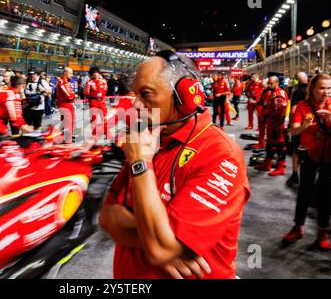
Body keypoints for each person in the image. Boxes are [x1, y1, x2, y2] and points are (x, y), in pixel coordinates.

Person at [99, 51, 250, 279]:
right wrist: (155, 235)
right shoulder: (148, 139)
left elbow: (163, 248)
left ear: (185, 96)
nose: (137, 105)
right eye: (135, 94)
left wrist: (140, 163)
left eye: (146, 94)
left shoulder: (220, 154)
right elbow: (108, 218)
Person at [282, 73, 331, 250]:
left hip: (329, 156)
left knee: (326, 194)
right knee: (304, 191)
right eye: (322, 88)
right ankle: (298, 226)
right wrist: (304, 126)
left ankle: (322, 231)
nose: (326, 92)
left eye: (328, 88)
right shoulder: (302, 106)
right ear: (313, 89)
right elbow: (292, 132)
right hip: (310, 154)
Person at [254, 76, 289, 175]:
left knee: (279, 145)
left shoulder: (279, 94)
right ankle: (267, 164)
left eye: (271, 83)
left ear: (277, 83)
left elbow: (281, 113)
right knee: (269, 144)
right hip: (271, 123)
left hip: (276, 125)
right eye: (268, 83)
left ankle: (281, 167)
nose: (269, 85)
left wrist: (277, 126)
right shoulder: (271, 93)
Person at [286, 72, 309, 188]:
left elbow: (293, 111)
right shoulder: (312, 90)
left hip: (299, 124)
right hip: (311, 125)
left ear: (296, 80)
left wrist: (291, 126)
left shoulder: (297, 92)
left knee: (296, 150)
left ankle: (295, 174)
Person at [86, 66, 109, 139]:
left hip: (102, 101)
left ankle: (106, 133)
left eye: (97, 72)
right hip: (93, 102)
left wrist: (102, 97)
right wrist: (89, 91)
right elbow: (86, 93)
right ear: (92, 74)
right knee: (93, 118)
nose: (96, 74)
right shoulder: (89, 82)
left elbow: (106, 90)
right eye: (94, 73)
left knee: (105, 118)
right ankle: (94, 134)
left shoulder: (104, 81)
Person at [56, 67, 76, 143]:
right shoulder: (62, 82)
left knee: (68, 122)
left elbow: (71, 93)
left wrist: (73, 95)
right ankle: (68, 140)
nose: (72, 75)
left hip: (69, 104)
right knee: (67, 122)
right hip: (65, 104)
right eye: (70, 73)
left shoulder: (67, 82)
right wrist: (74, 96)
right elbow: (70, 95)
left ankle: (66, 137)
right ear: (65, 73)